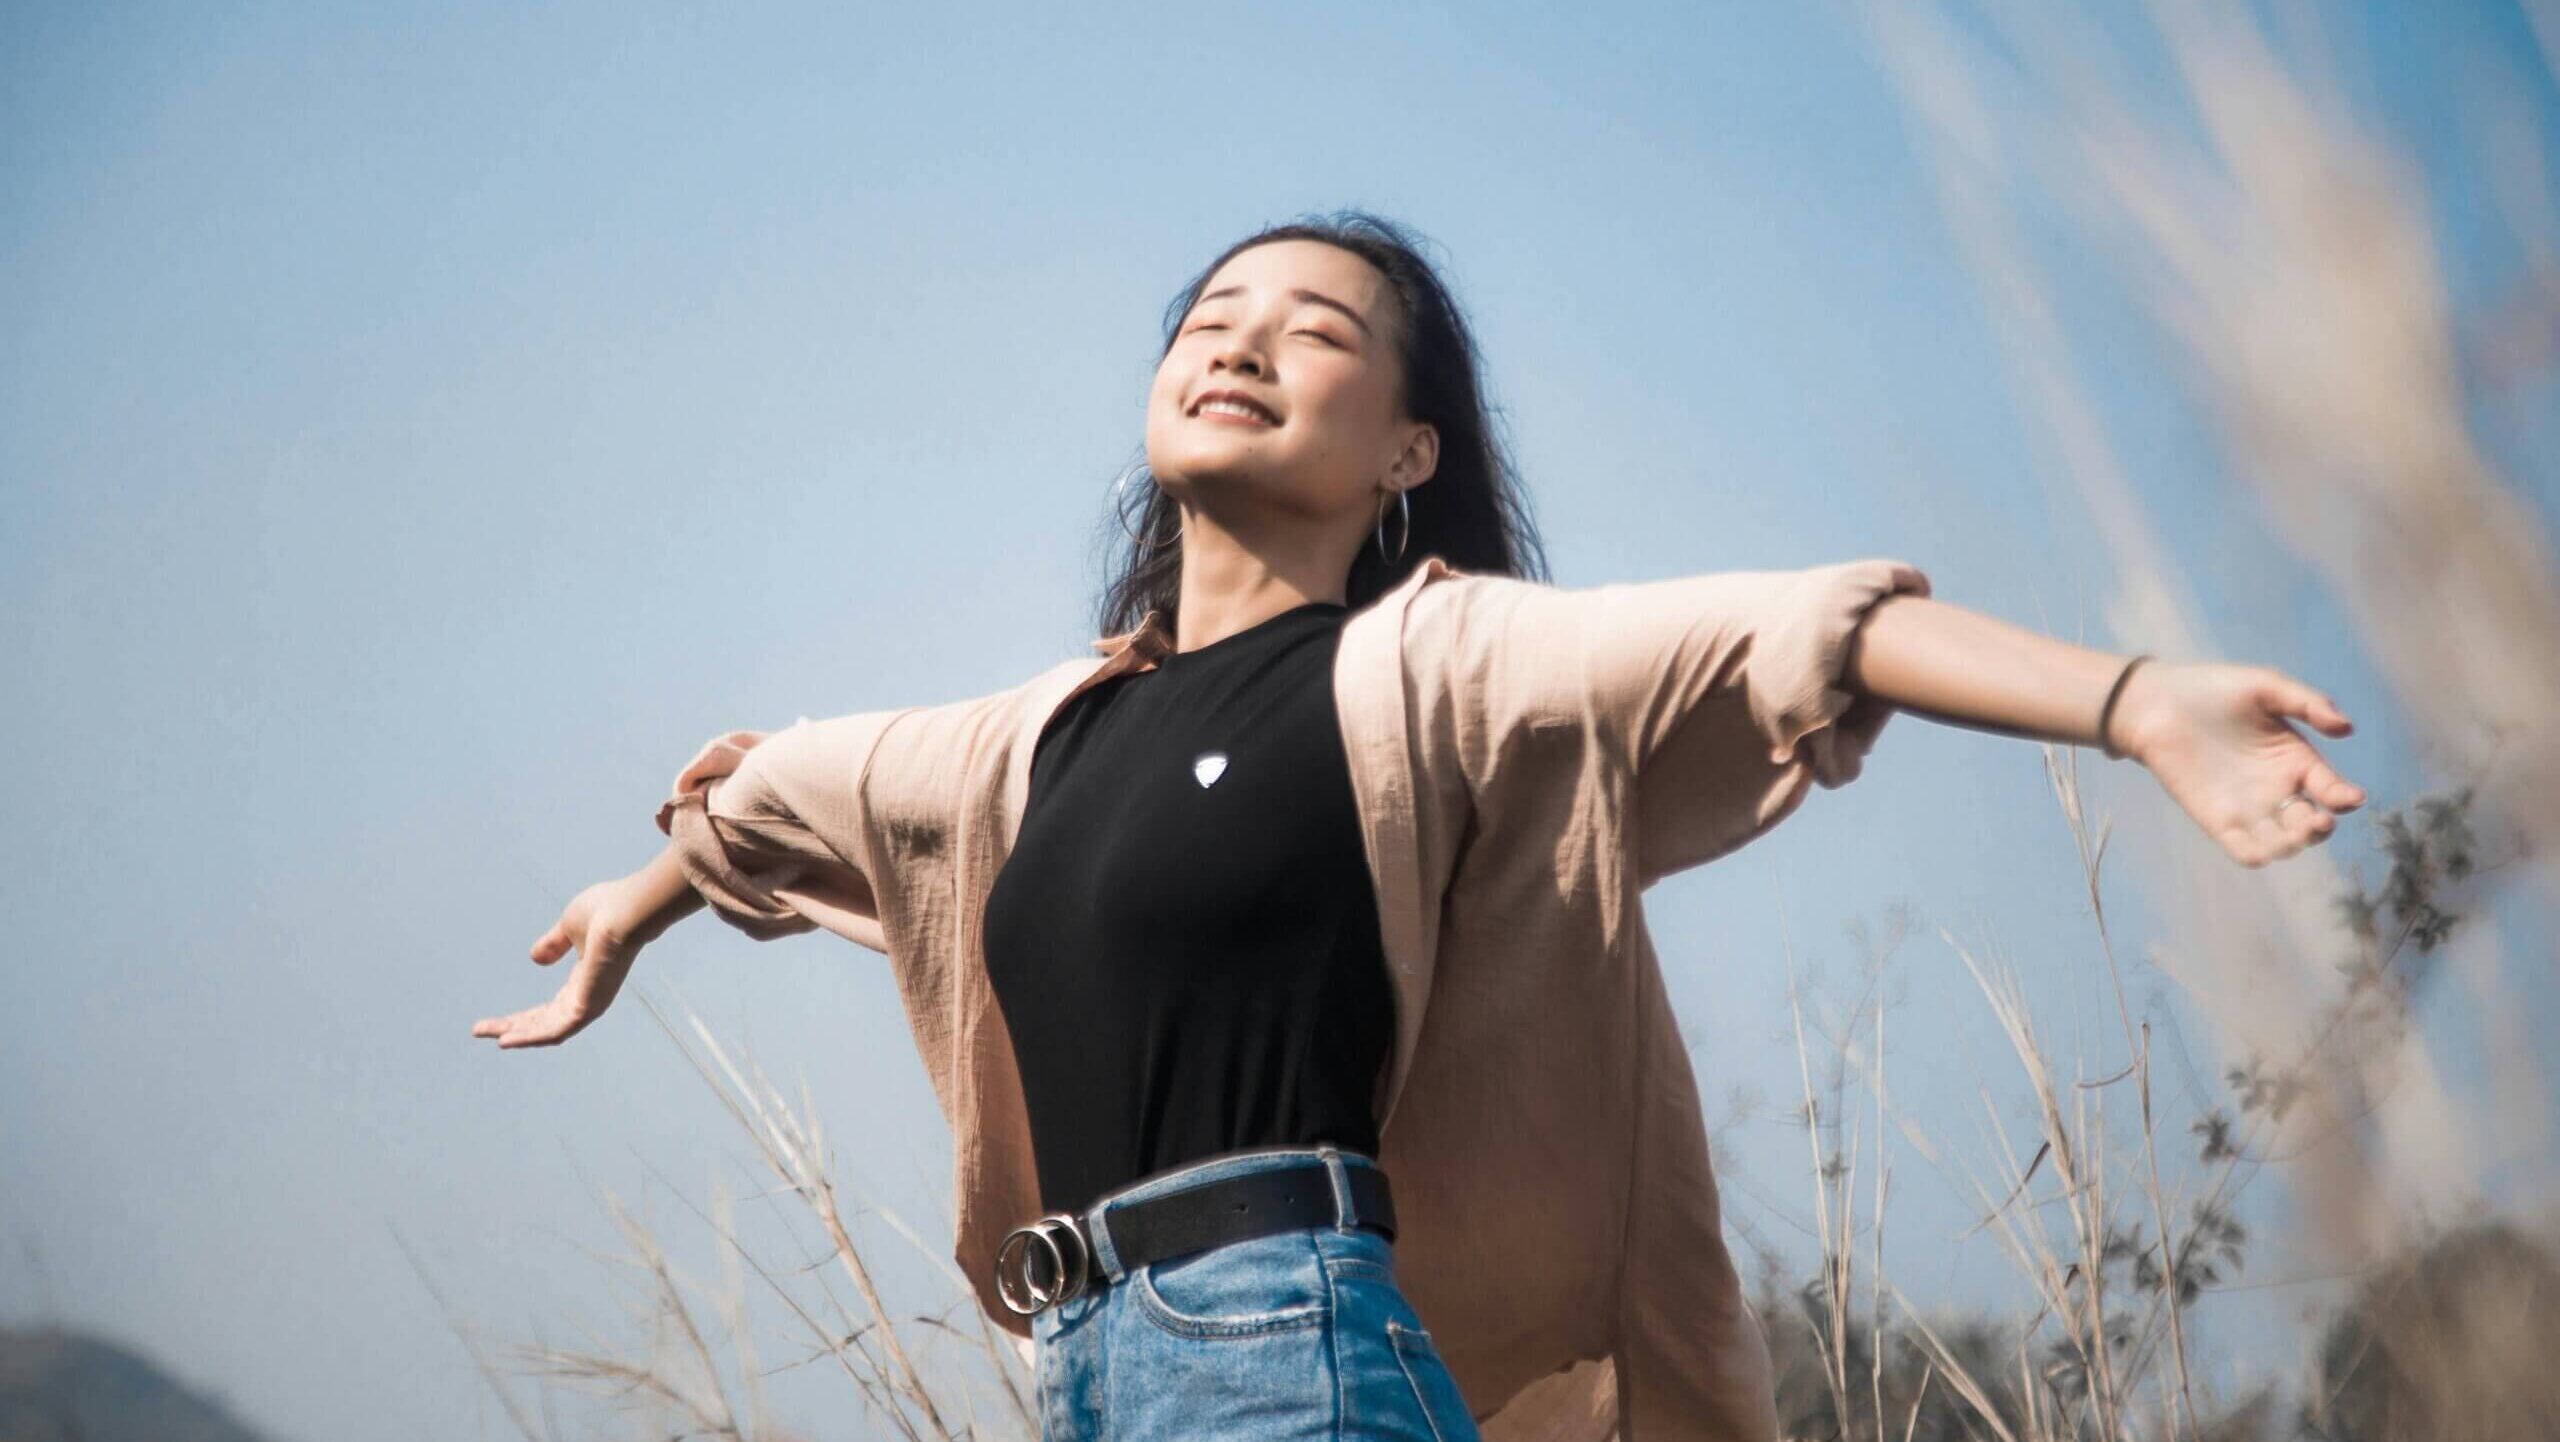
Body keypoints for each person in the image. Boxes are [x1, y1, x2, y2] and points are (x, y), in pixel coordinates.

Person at [472, 211, 2365, 1442]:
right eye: (1210, 317)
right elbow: (788, 791)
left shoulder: (1431, 671)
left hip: (1287, 1351)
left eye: (1309, 331)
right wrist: (634, 908)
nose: (1237, 343)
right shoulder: (1035, 742)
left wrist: (2134, 705)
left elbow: (1791, 627)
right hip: (1084, 1371)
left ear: (1407, 448)